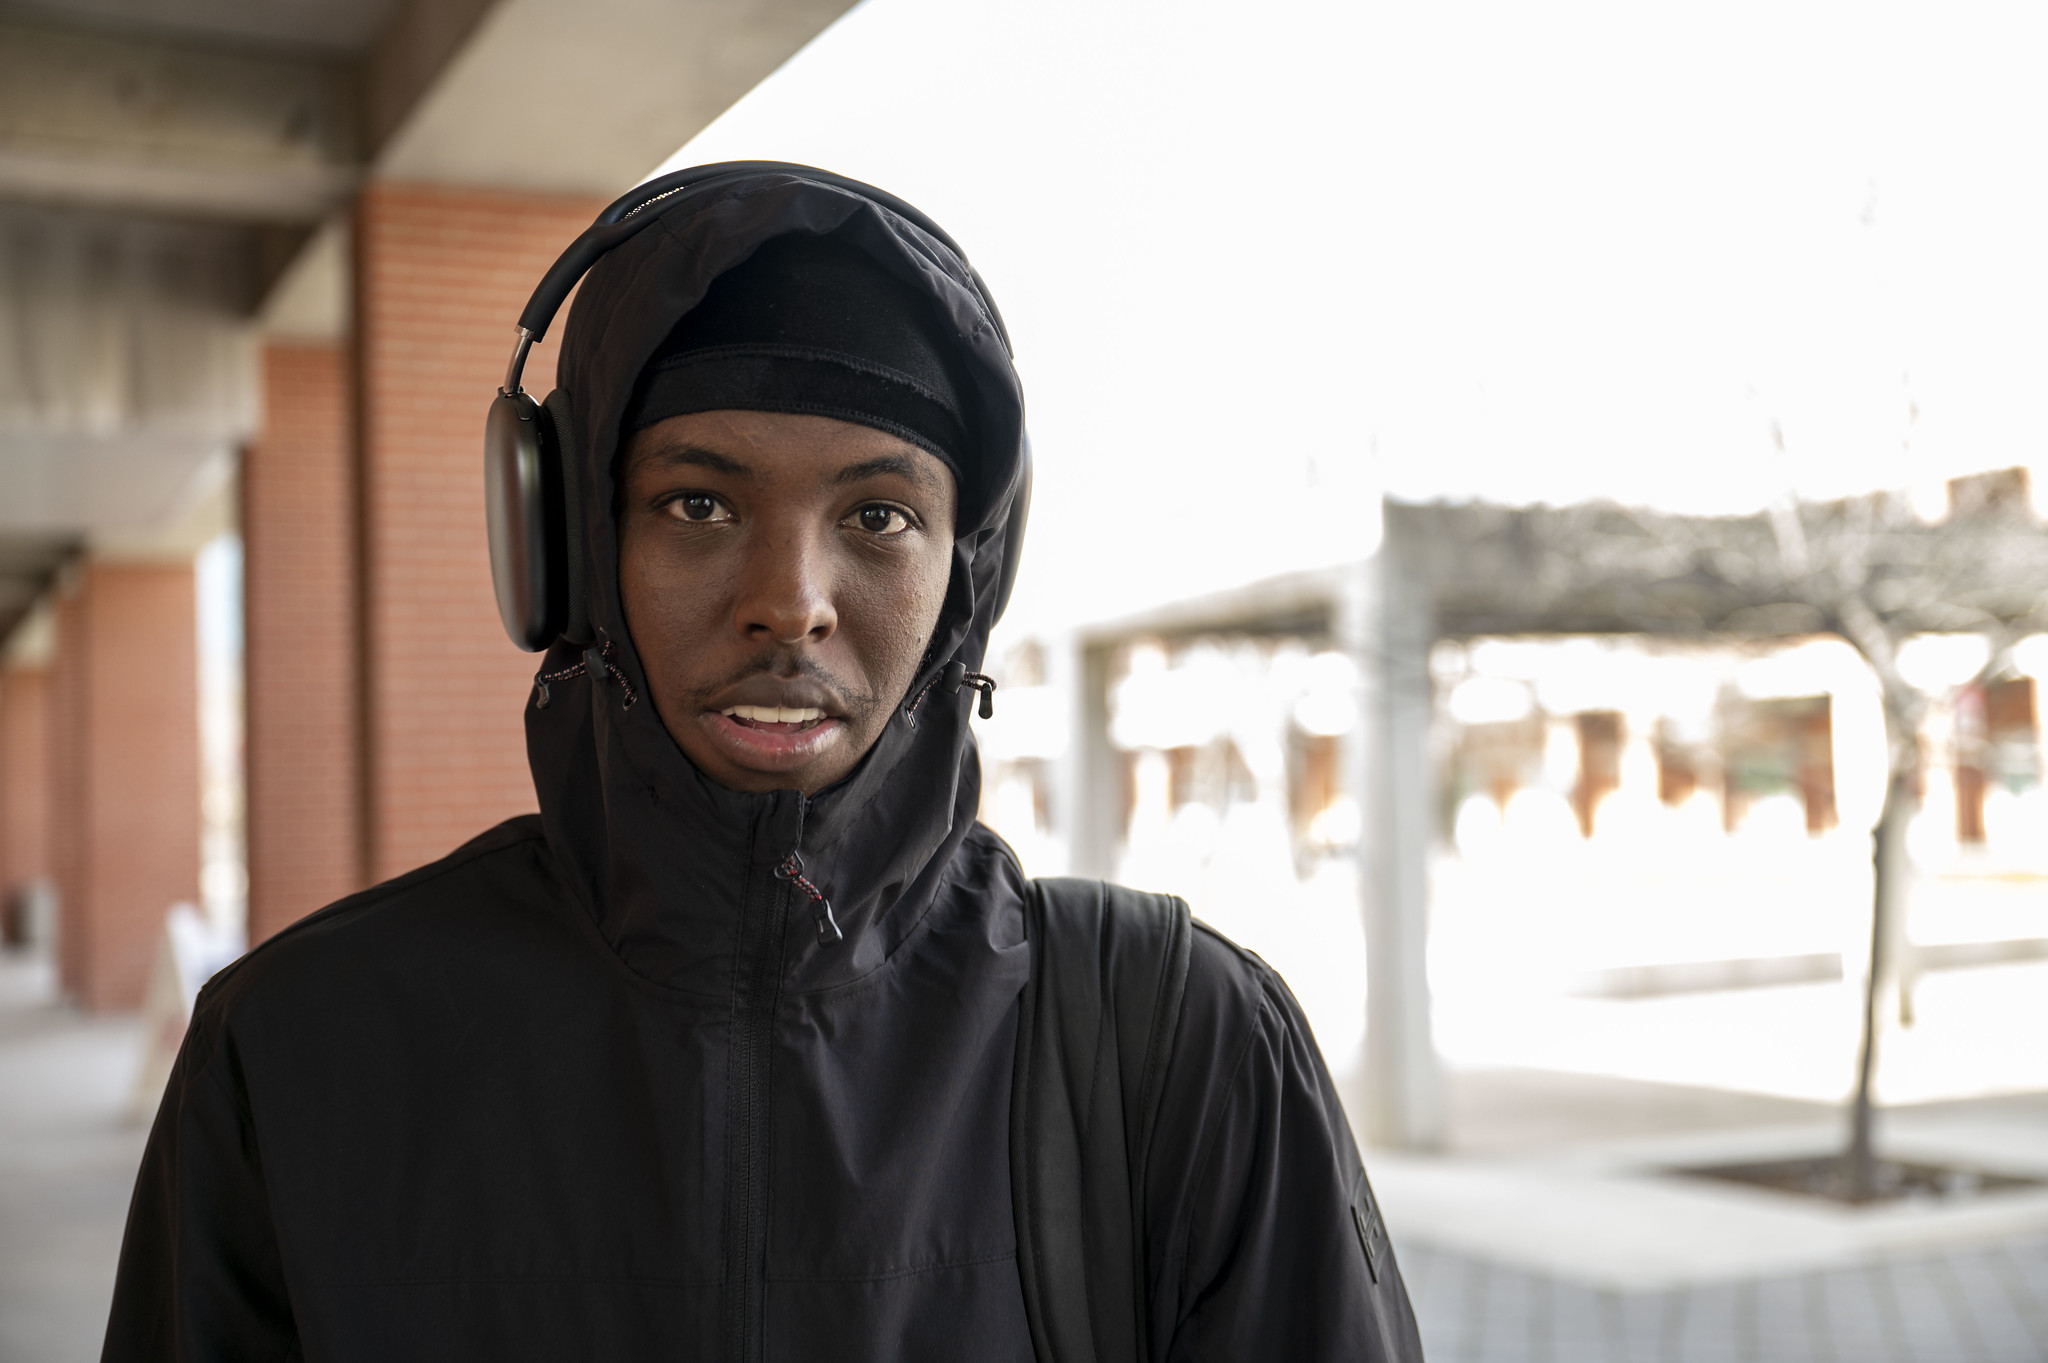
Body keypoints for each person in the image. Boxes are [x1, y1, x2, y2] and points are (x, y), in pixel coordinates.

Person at [101, 166, 1423, 1362]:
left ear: (968, 578)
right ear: (563, 549)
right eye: (699, 502)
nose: (790, 601)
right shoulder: (299, 1053)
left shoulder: (1182, 1051)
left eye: (878, 515)